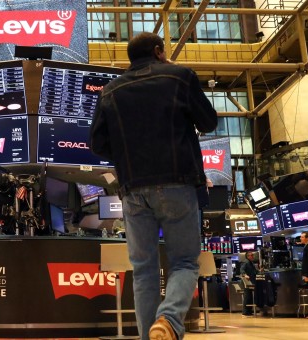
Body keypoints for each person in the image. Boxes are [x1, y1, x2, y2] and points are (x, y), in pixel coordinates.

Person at [90, 32, 218, 340]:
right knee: (185, 262)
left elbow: (96, 143)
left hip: (133, 190)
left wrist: (125, 155)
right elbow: (209, 122)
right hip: (177, 184)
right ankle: (169, 320)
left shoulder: (110, 91)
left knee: (143, 270)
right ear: (159, 52)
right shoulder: (179, 76)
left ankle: (152, 335)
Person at [240, 251, 258, 317]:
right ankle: (244, 312)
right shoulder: (246, 262)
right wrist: (245, 275)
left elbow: (255, 271)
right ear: (248, 256)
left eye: (253, 255)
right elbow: (242, 270)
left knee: (250, 296)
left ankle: (249, 311)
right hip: (247, 283)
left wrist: (260, 271)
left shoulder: (251, 263)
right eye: (251, 255)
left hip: (251, 282)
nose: (253, 256)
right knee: (247, 296)